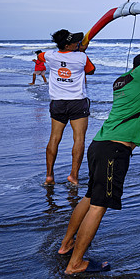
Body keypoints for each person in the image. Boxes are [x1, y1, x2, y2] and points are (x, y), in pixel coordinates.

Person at [57, 3, 140, 274]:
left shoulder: (123, 80)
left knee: (89, 197)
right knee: (99, 205)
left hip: (99, 145)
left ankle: (66, 246)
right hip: (113, 151)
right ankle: (75, 263)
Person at [40, 29, 96, 185]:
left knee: (54, 138)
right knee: (79, 139)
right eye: (75, 42)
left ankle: (49, 176)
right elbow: (91, 71)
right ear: (68, 44)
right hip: (77, 102)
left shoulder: (50, 56)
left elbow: (40, 56)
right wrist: (80, 52)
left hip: (58, 102)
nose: (78, 43)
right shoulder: (82, 57)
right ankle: (74, 176)